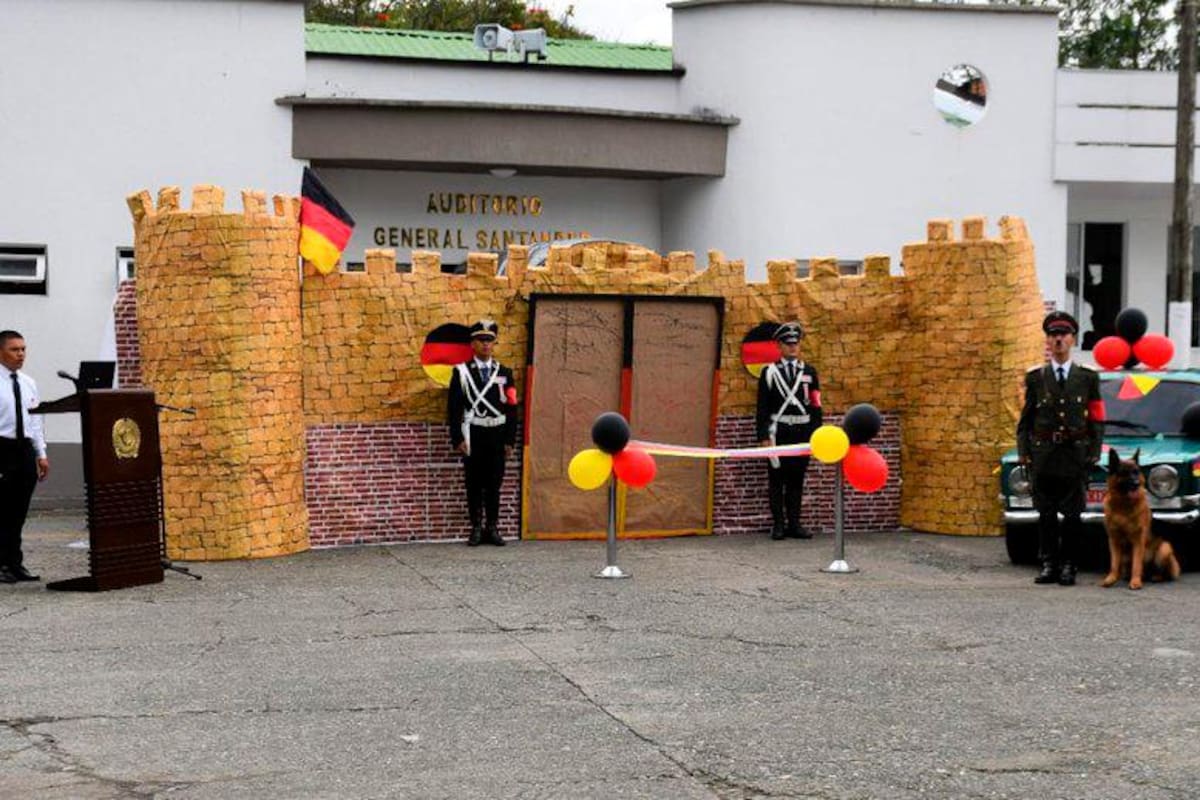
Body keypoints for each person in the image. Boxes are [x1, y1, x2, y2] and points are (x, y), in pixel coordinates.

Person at [1016, 311, 1104, 587]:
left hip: (1074, 453)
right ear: (1047, 340)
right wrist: (1024, 452)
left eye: (1063, 335)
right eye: (1053, 335)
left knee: (1073, 514)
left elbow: (1097, 418)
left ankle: (1069, 565)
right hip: (1044, 454)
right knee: (1046, 513)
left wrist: (1094, 451)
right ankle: (1049, 564)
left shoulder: (1087, 377)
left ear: (1072, 339)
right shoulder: (1036, 377)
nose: (1058, 340)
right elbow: (1026, 420)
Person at [448, 319, 517, 546]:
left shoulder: (505, 372)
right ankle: (476, 528)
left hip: (497, 435)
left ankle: (492, 527)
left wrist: (510, 440)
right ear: (473, 344)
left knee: (494, 484)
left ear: (494, 343)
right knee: (474, 483)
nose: (486, 344)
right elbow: (454, 408)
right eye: (481, 340)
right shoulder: (461, 372)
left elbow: (512, 407)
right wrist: (457, 438)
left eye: (489, 340)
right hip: (474, 434)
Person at [756, 321, 822, 540]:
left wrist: (816, 435)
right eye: (788, 343)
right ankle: (778, 525)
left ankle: (795, 524)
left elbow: (816, 405)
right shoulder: (769, 372)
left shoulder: (809, 372)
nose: (793, 347)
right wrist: (763, 436)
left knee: (797, 479)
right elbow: (762, 407)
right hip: (779, 432)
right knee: (776, 479)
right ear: (780, 346)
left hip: (802, 431)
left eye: (796, 343)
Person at [0, 330, 49, 583]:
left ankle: (14, 563)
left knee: (18, 510)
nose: (21, 354)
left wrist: (41, 454)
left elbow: (35, 422)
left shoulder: (28, 382)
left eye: (23, 349)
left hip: (24, 449)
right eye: (14, 349)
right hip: (2, 447)